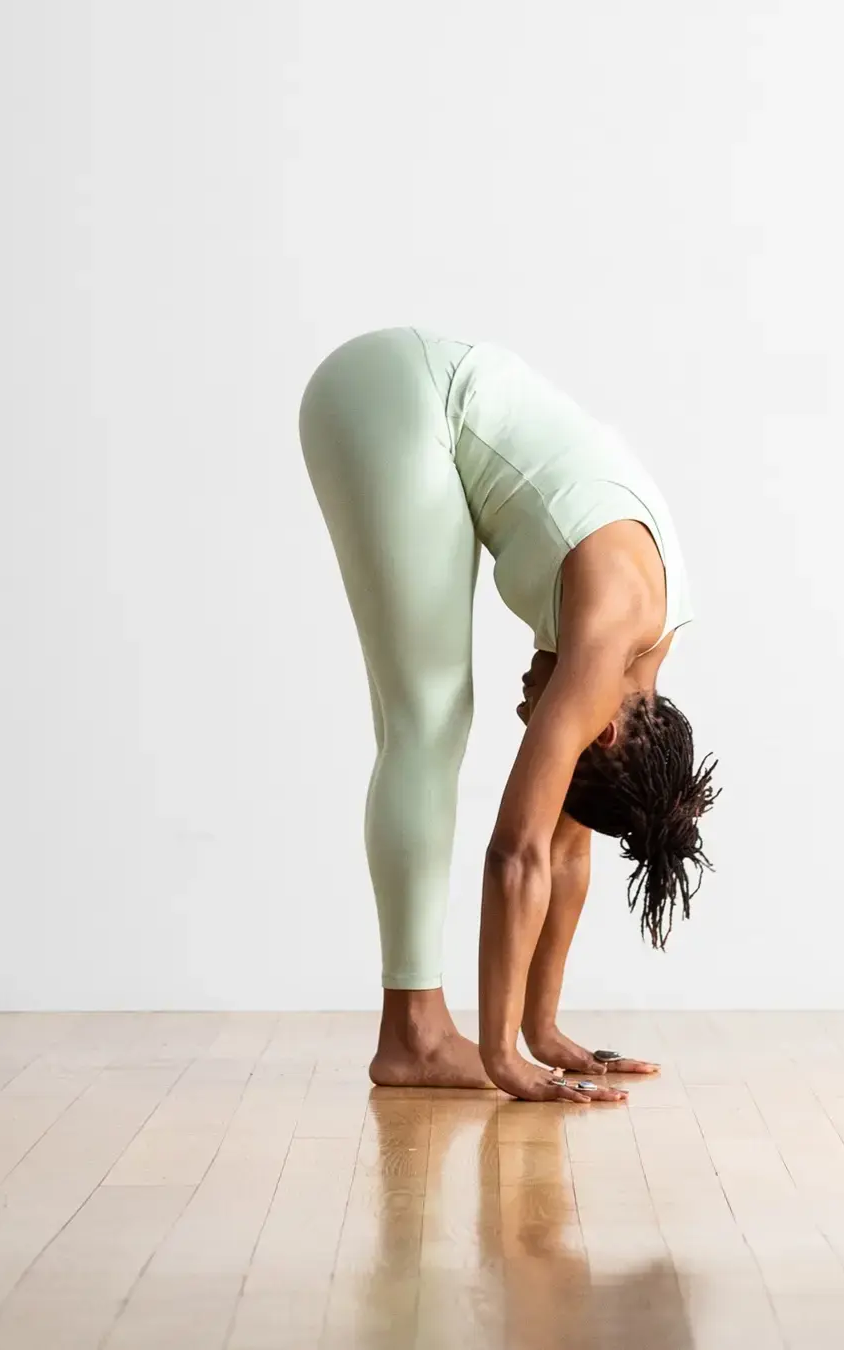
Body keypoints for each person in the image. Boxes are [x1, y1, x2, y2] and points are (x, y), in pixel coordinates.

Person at [300, 327, 719, 1104]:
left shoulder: (645, 648)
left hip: (407, 391)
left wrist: (543, 1030)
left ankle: (428, 1032)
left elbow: (564, 849)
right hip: (392, 395)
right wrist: (502, 1058)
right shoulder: (601, 643)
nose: (534, 712)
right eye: (549, 727)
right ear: (603, 727)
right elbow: (517, 853)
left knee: (431, 715)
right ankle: (417, 1036)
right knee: (430, 717)